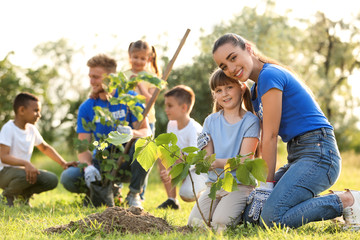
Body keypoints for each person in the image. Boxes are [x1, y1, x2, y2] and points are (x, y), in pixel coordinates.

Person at [211, 33, 360, 230]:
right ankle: (307, 204)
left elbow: (270, 137)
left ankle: (348, 200)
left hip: (320, 154)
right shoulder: (256, 90)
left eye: (233, 58)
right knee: (251, 217)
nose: (230, 69)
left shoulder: (270, 75)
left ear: (247, 48)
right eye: (223, 66)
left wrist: (266, 186)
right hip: (297, 156)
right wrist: (261, 185)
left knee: (270, 220)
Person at [60, 54, 151, 208]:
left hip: (127, 159)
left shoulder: (129, 99)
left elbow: (146, 132)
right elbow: (83, 146)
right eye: (90, 76)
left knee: (146, 145)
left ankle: (134, 194)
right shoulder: (87, 107)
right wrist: (88, 166)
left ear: (110, 78)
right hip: (102, 159)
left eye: (96, 77)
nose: (91, 81)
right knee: (69, 177)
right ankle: (103, 190)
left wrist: (132, 133)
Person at [187, 69, 260, 231]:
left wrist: (215, 162)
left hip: (239, 185)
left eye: (229, 87)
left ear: (241, 88)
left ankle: (245, 208)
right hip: (214, 185)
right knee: (193, 223)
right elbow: (207, 158)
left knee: (221, 223)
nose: (224, 94)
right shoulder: (210, 121)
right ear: (214, 96)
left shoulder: (251, 121)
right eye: (218, 90)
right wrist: (206, 161)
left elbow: (244, 161)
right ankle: (219, 215)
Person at [0, 92, 76, 207]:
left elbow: (45, 148)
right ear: (21, 110)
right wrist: (26, 163)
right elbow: (4, 157)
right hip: (4, 173)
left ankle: (23, 196)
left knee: (51, 179)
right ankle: (7, 197)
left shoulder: (32, 129)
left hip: (22, 172)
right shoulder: (9, 128)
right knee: (26, 174)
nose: (39, 115)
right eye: (36, 110)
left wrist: (63, 163)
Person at [157, 85, 207, 210]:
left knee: (187, 194)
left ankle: (206, 193)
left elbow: (194, 160)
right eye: (166, 105)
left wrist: (172, 171)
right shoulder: (172, 124)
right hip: (184, 165)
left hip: (200, 169)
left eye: (170, 106)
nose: (166, 109)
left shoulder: (193, 129)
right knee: (162, 152)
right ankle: (171, 200)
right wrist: (168, 169)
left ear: (184, 107)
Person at [123, 40, 160, 200]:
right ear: (129, 56)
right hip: (127, 121)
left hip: (147, 121)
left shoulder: (151, 77)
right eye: (135, 57)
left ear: (149, 59)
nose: (138, 61)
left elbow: (150, 100)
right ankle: (118, 186)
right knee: (126, 154)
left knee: (144, 153)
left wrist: (139, 85)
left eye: (142, 58)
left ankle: (138, 193)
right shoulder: (124, 75)